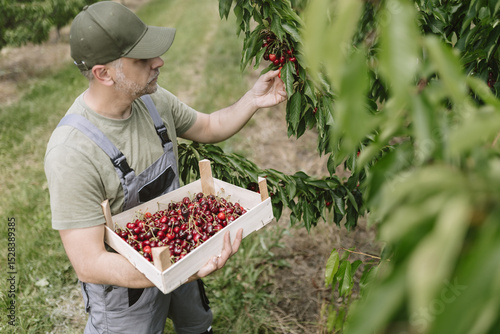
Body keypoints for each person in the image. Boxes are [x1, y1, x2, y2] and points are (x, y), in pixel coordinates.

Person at [43, 1, 286, 334]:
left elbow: (211, 125)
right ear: (104, 73)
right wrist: (176, 267)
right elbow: (89, 263)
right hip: (126, 287)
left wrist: (253, 99)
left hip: (181, 245)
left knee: (196, 322)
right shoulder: (72, 153)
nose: (159, 62)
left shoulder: (152, 101)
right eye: (142, 59)